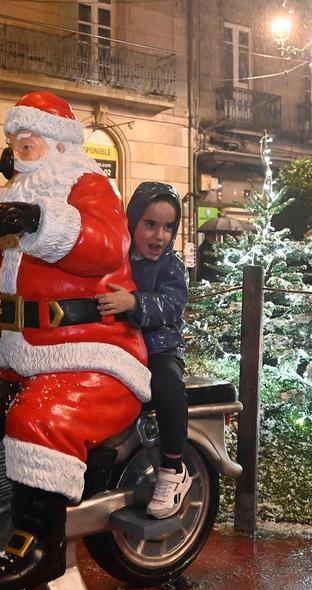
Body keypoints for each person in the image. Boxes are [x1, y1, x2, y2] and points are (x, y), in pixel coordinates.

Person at [0, 92, 150, 590]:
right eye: (15, 147)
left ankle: (37, 549)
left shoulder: (89, 188)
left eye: (29, 145)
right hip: (26, 354)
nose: (18, 156)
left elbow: (103, 246)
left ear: (60, 145)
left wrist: (34, 219)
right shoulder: (26, 196)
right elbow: (6, 263)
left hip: (93, 353)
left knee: (42, 417)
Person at [96, 182, 191, 519]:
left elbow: (172, 304)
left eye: (168, 227)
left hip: (158, 348)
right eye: (150, 224)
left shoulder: (171, 266)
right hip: (121, 346)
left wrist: (134, 303)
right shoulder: (118, 259)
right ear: (132, 221)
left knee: (167, 384)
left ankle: (173, 467)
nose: (159, 235)